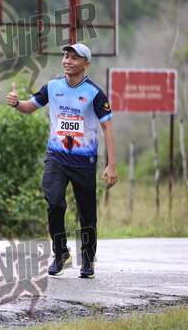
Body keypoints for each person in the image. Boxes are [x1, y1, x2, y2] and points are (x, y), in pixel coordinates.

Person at [7, 43, 117, 278]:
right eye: (66, 56)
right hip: (56, 158)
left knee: (86, 213)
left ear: (86, 64)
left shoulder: (95, 93)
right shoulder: (52, 87)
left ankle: (88, 260)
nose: (68, 61)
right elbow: (29, 107)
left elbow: (107, 127)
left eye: (74, 58)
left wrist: (111, 165)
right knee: (55, 203)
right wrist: (16, 103)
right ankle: (60, 253)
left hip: (84, 161)